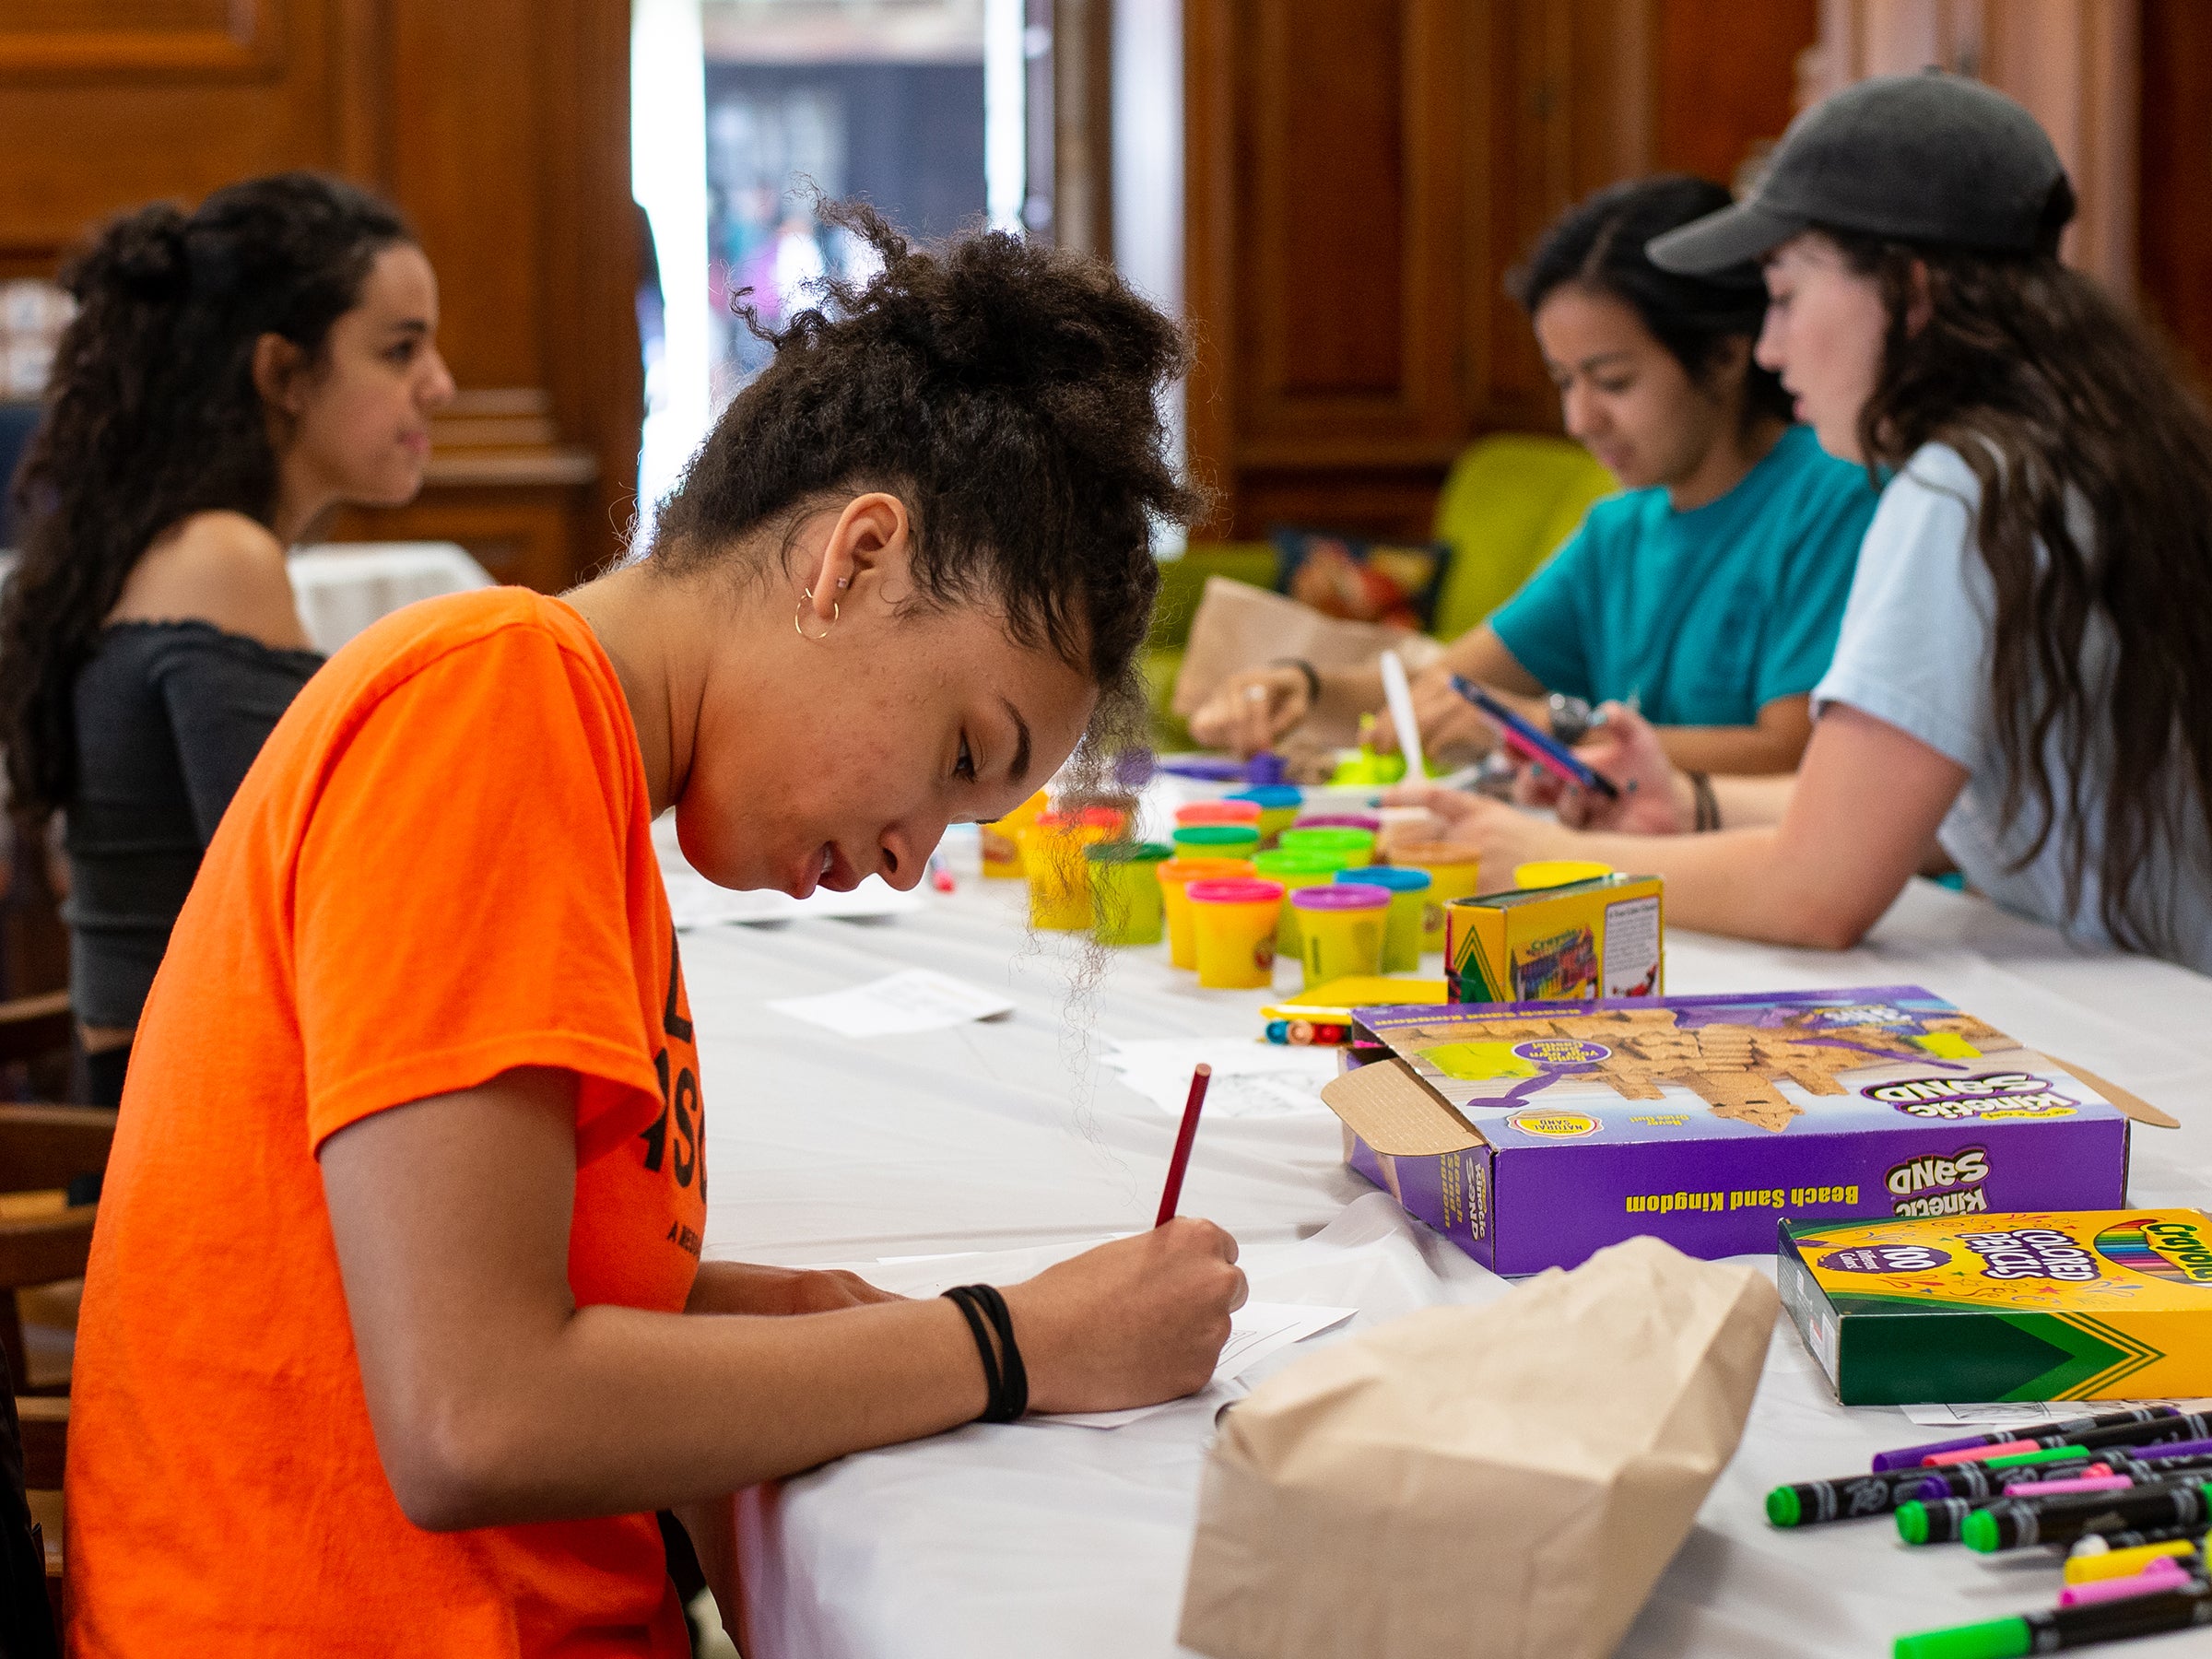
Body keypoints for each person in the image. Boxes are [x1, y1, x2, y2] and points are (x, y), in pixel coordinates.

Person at [65, 205, 1246, 1655]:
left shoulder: (565, 744)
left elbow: (482, 1272)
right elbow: (473, 1418)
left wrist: (773, 1309)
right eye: (956, 757)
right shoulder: (490, 708)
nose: (902, 862)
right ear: (853, 561)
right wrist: (1012, 1344)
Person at [1399, 73, 2212, 974]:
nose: (1771, 347)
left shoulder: (1957, 492)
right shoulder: (2080, 448)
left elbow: (1818, 891)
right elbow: (1937, 818)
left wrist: (1535, 854)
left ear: (1910, 290)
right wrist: (1687, 803)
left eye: (1785, 297)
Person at [0, 172, 456, 1107]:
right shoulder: (222, 558)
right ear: (282, 373)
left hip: (165, 1104)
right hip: (183, 1148)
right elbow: (307, 900)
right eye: (400, 349)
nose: (439, 386)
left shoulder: (163, 538)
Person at [1189, 175, 1878, 774]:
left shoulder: (1830, 492)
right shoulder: (1620, 530)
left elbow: (1796, 753)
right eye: (1563, 380)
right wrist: (1304, 686)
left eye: (1613, 380)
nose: (1580, 420)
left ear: (1726, 358)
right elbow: (1447, 683)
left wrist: (1550, 730)